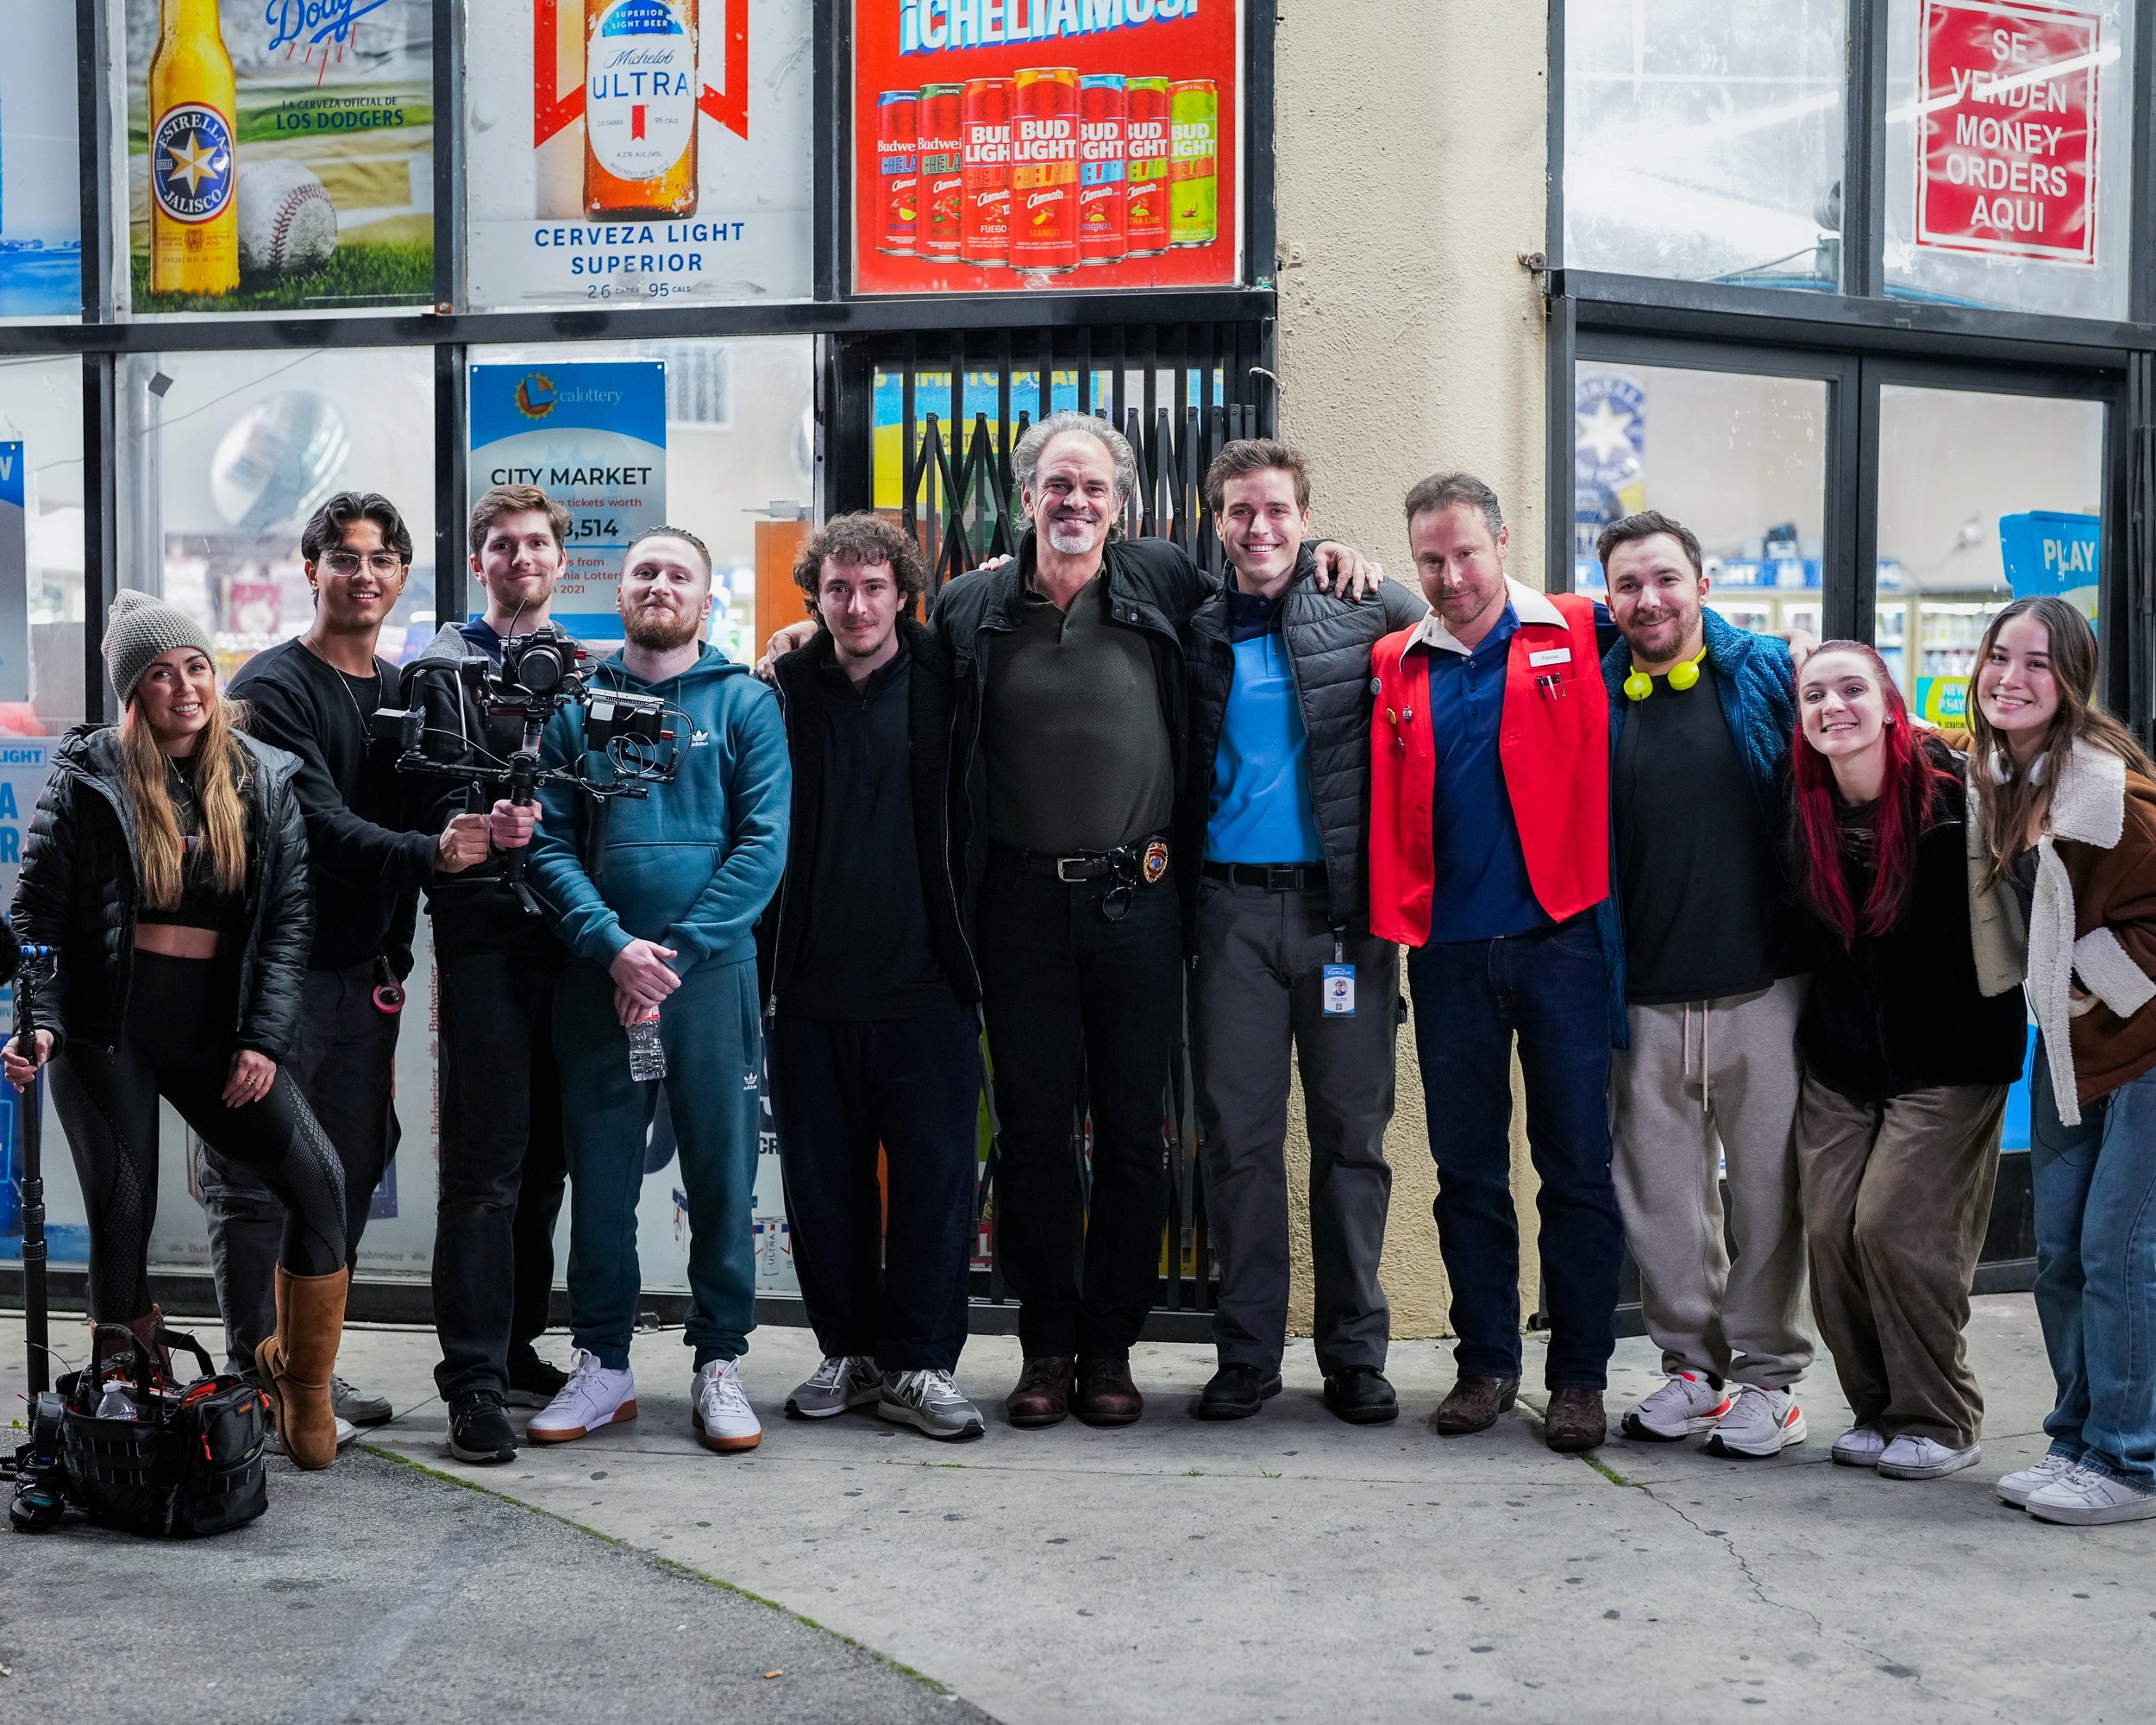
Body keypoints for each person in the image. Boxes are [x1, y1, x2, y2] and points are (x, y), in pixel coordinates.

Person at [762, 413, 1375, 1429]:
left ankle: (1109, 1349)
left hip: (1140, 901)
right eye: (1056, 485)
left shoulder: (1168, 583)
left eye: (1092, 486)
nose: (1074, 502)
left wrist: (1333, 555)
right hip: (1014, 905)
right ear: (1025, 497)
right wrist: (799, 635)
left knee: (1136, 1137)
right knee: (1037, 1136)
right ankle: (1045, 1348)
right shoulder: (969, 606)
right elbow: (880, 653)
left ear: (1123, 503)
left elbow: (1266, 577)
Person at [6, 593, 350, 1469]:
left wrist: (264, 1040)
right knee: (124, 1210)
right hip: (107, 1031)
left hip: (214, 1033)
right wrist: (41, 1024)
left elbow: (286, 925)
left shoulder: (264, 776)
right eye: (160, 673)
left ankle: (297, 1377)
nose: (184, 685)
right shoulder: (90, 778)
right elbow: (38, 917)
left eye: (195, 665)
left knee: (319, 1180)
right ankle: (125, 1397)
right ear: (133, 693)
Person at [212, 492, 493, 1432]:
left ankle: (308, 1368)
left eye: (379, 559)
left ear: (401, 575)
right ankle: (249, 1369)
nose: (362, 574)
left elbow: (441, 796)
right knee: (256, 1178)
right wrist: (431, 850)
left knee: (341, 1171)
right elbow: (318, 825)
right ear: (312, 570)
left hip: (365, 977)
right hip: (270, 981)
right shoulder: (271, 687)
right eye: (343, 557)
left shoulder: (411, 690)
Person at [1368, 471, 1622, 1453]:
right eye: (1429, 559)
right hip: (1446, 951)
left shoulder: (1577, 627)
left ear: (1503, 541)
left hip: (1562, 938)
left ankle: (1580, 1375)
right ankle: (1485, 1362)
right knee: (1465, 1168)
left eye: (1465, 552)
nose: (1450, 575)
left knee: (1575, 1169)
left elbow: (1681, 628)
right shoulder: (1396, 658)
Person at [523, 526, 789, 1453]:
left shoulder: (746, 705)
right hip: (598, 982)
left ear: (705, 600)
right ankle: (603, 1364)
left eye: (679, 573)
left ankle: (719, 1360)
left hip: (709, 982)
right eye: (645, 572)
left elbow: (763, 845)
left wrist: (667, 955)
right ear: (620, 591)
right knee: (598, 1183)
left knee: (723, 1177)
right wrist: (611, 948)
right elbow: (547, 845)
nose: (660, 584)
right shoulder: (575, 708)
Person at [1181, 439, 1425, 1425]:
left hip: (1343, 919)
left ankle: (1354, 1356)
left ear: (1305, 514)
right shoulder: (1193, 625)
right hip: (1229, 914)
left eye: (1277, 509)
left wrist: (1374, 561)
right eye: (1240, 511)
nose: (1259, 528)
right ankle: (1246, 1354)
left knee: (1351, 1141)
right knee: (1238, 1143)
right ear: (1217, 521)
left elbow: (1458, 630)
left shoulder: (1365, 602)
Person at [761, 513, 986, 1442]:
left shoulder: (950, 676)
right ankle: (850, 1352)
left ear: (905, 593)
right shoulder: (782, 686)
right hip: (809, 985)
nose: (855, 606)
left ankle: (922, 1363)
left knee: (936, 1182)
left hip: (927, 981)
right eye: (838, 589)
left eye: (874, 588)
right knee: (823, 1184)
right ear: (815, 596)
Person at [1596, 511, 1812, 1458]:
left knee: (1767, 1193)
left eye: (1664, 580)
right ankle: (1691, 1367)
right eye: (1627, 586)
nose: (1647, 600)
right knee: (1661, 1197)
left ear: (1702, 583)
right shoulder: (1591, 690)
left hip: (1761, 987)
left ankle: (1770, 1380)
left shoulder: (1763, 670)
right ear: (1606, 598)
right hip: (1642, 991)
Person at [1786, 642, 2024, 1483]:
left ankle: (1939, 1413)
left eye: (1851, 687)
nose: (1832, 706)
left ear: (1890, 701)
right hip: (1843, 1059)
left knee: (1893, 1225)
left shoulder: (1957, 794)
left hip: (1949, 1054)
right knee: (1827, 1227)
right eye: (1815, 693)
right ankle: (1879, 1407)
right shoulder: (1803, 805)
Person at [1965, 598, 2156, 1526]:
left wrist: (2081, 979)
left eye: (2036, 663)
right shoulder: (2006, 773)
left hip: (2141, 1050)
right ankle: (2078, 1438)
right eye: (2000, 656)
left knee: (2117, 1255)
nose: (2010, 676)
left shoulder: (2106, 793)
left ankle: (2131, 1460)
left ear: (2071, 681)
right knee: (2056, 1255)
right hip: (2072, 1050)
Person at [400, 484, 580, 1465]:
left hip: (573, 940)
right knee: (485, 1170)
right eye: (503, 546)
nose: (520, 559)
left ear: (561, 558)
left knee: (546, 1162)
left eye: (536, 544)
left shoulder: (586, 668)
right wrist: (473, 817)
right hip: (484, 938)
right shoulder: (441, 665)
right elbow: (416, 788)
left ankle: (513, 1349)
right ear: (481, 562)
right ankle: (469, 1377)